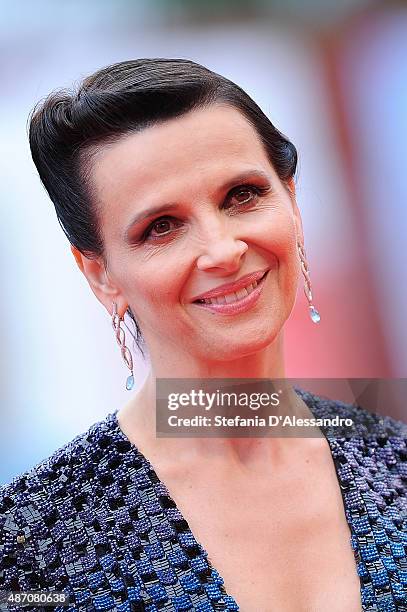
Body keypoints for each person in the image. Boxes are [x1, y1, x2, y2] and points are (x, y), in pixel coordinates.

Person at [1, 58, 406, 612]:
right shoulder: (30, 545)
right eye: (160, 227)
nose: (222, 250)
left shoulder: (395, 464)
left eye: (242, 195)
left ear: (292, 201)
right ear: (100, 274)